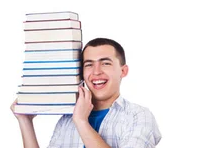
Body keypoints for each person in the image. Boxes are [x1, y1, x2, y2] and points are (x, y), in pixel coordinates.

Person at [11, 37, 161, 148]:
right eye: (89, 64)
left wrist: (82, 122)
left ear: (123, 71)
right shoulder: (66, 120)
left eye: (105, 63)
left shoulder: (139, 116)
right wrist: (25, 121)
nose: (96, 72)